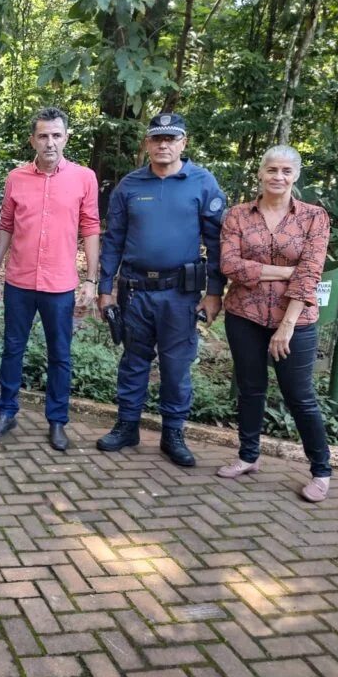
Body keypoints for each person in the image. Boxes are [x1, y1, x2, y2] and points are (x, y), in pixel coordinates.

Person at [96, 113, 226, 467]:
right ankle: (127, 426)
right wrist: (105, 288)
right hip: (135, 291)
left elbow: (218, 243)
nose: (164, 144)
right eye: (157, 139)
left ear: (183, 142)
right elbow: (113, 241)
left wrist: (214, 293)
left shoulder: (202, 183)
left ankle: (173, 433)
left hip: (179, 294)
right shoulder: (130, 185)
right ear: (147, 144)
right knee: (133, 361)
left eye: (171, 138)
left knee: (176, 365)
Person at [217, 145, 332, 502]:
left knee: (299, 396)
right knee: (250, 390)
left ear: (296, 175)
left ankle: (321, 470)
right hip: (244, 316)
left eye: (285, 171)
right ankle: (248, 456)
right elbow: (230, 266)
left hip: (294, 321)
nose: (278, 177)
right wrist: (286, 271)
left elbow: (311, 273)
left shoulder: (314, 217)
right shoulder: (237, 215)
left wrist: (286, 327)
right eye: (272, 170)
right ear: (261, 173)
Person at [0, 107, 100, 449]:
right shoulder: (15, 178)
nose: (49, 142)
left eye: (56, 135)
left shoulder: (84, 178)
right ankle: (6, 412)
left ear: (66, 137)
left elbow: (91, 228)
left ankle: (57, 421)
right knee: (12, 350)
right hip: (20, 281)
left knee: (60, 354)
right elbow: (6, 225)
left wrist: (91, 280)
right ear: (32, 140)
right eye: (43, 136)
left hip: (60, 285)